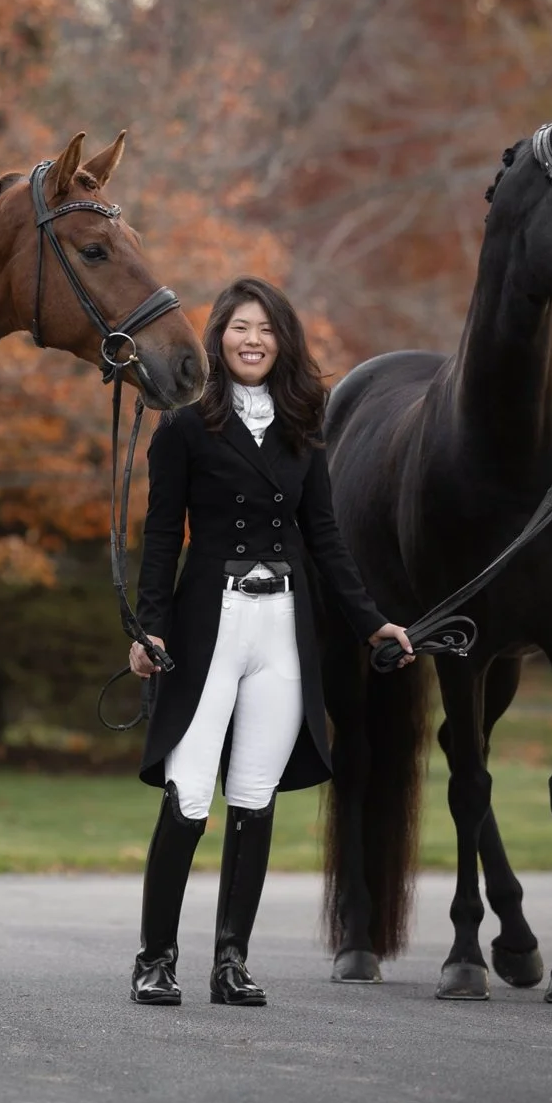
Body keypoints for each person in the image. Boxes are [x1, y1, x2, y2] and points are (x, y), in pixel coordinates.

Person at [127, 276, 414, 1008]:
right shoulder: (186, 425)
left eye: (264, 329)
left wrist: (369, 621)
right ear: (218, 338)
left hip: (281, 632)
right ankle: (155, 960)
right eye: (237, 328)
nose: (250, 339)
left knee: (253, 798)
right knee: (189, 795)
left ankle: (230, 963)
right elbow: (162, 536)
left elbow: (325, 539)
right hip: (206, 627)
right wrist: (147, 624)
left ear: (281, 341)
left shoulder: (303, 428)